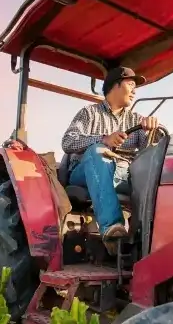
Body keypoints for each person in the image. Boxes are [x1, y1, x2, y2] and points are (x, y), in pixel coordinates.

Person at [60, 66, 162, 254]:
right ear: (115, 85)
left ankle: (149, 238)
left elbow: (150, 153)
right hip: (85, 171)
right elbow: (68, 141)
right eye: (131, 84)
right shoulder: (89, 113)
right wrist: (104, 139)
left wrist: (151, 132)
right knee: (99, 151)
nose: (135, 91)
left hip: (122, 173)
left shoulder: (137, 120)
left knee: (158, 169)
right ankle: (112, 228)